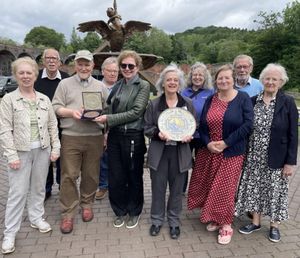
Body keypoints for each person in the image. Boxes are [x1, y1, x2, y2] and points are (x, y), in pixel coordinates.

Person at [187, 64, 253, 245]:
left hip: (231, 151)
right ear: (215, 81)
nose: (223, 81)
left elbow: (248, 125)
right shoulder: (211, 98)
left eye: (227, 78)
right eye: (220, 78)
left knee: (224, 188)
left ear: (233, 80)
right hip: (209, 151)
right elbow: (203, 124)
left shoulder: (243, 98)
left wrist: (226, 143)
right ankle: (216, 218)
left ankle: (226, 224)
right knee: (210, 185)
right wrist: (208, 143)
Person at [0, 57, 60, 254]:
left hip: (42, 150)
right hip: (20, 152)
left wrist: (55, 148)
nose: (26, 76)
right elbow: (4, 130)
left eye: (29, 73)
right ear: (16, 75)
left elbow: (53, 125)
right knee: (17, 193)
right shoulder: (9, 100)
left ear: (35, 75)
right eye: (21, 73)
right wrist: (11, 155)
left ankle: (36, 218)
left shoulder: (44, 99)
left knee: (38, 188)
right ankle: (10, 233)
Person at [236, 63, 298, 243]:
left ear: (281, 82)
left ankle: (274, 225)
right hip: (254, 155)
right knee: (255, 189)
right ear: (262, 80)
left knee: (275, 191)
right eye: (267, 78)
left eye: (274, 79)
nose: (270, 82)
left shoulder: (287, 102)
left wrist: (290, 162)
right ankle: (255, 222)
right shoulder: (252, 100)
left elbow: (293, 134)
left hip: (277, 156)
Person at [52, 50, 109, 234]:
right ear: (75, 65)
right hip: (71, 136)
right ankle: (68, 213)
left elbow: (108, 111)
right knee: (69, 175)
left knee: (91, 174)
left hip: (94, 136)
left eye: (87, 64)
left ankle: (87, 204)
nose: (83, 67)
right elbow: (56, 107)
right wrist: (72, 113)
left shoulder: (101, 86)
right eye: (80, 64)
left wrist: (105, 129)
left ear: (93, 66)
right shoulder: (64, 84)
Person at [95, 50, 150, 229]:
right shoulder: (118, 85)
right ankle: (119, 210)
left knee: (133, 175)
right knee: (116, 176)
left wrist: (108, 119)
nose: (127, 69)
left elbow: (136, 111)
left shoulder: (143, 85)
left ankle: (134, 211)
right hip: (115, 136)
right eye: (123, 65)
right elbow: (109, 108)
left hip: (133, 136)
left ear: (137, 67)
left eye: (130, 66)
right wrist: (95, 115)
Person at [144, 64, 196, 239]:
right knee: (158, 188)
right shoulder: (154, 104)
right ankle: (157, 221)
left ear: (179, 83)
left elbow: (194, 127)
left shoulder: (187, 104)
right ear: (163, 83)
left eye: (175, 80)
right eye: (169, 80)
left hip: (180, 153)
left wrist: (190, 136)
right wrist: (158, 134)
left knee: (176, 190)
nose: (172, 82)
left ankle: (174, 222)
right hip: (160, 153)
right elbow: (147, 128)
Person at [34, 48, 69, 201]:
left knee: (63, 159)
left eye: (55, 58)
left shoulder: (66, 79)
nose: (51, 61)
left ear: (59, 62)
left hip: (63, 126)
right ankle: (46, 189)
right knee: (44, 160)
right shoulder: (36, 79)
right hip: (42, 127)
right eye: (48, 58)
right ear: (43, 61)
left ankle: (63, 187)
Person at [181, 62, 214, 193]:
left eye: (200, 75)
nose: (197, 77)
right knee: (183, 162)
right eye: (195, 74)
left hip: (203, 134)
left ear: (205, 77)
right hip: (186, 134)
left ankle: (199, 189)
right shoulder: (184, 92)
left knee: (201, 164)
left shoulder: (211, 92)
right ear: (191, 76)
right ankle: (181, 188)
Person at [95, 57, 119, 200]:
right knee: (102, 160)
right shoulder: (96, 86)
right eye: (109, 71)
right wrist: (103, 132)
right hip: (99, 129)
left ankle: (116, 185)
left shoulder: (122, 86)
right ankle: (103, 186)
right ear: (103, 71)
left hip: (117, 128)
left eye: (115, 71)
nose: (112, 74)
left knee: (116, 160)